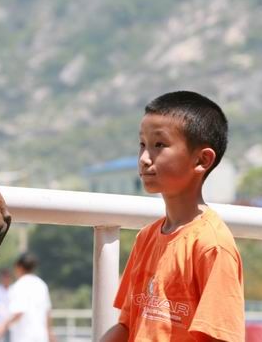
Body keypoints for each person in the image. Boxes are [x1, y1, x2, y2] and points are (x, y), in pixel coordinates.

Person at [101, 91, 245, 342]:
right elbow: (126, 325)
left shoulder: (212, 246)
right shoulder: (146, 238)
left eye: (159, 145)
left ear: (202, 159)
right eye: (142, 145)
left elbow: (220, 337)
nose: (144, 159)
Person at [0, 252, 56, 342]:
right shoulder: (41, 284)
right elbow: (47, 313)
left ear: (19, 267)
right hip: (41, 337)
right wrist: (50, 335)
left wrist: (2, 326)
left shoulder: (19, 286)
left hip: (24, 337)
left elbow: (18, 312)